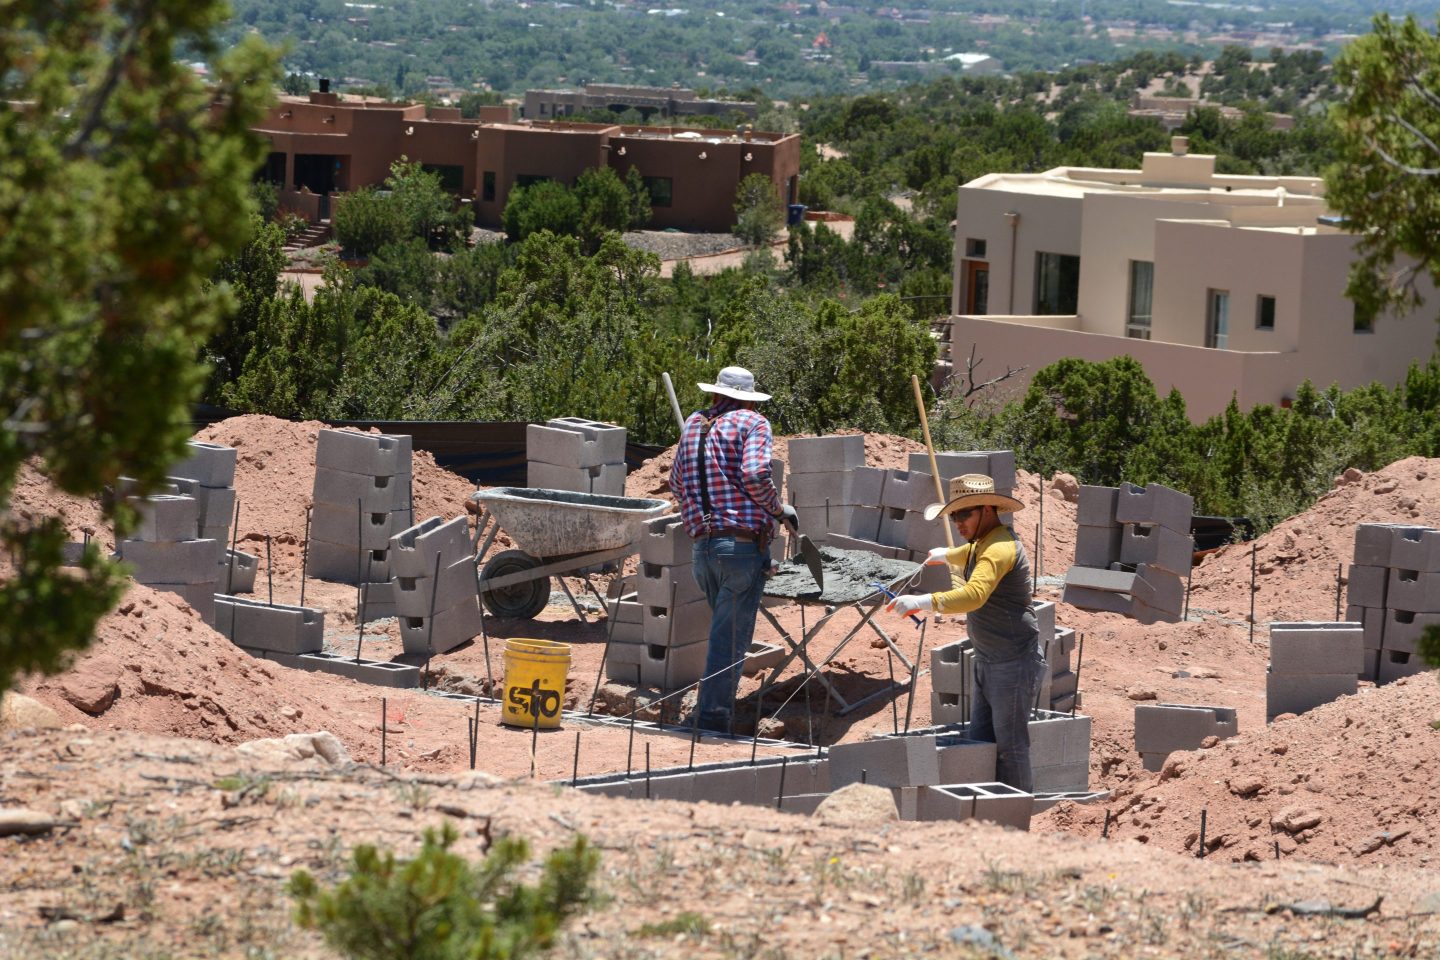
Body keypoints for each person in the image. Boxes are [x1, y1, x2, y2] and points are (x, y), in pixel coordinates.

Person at [886, 474, 1044, 791]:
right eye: (954, 515)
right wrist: (946, 555)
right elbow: (970, 553)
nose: (957, 522)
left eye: (963, 514)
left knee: (1011, 748)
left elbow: (974, 595)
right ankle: (986, 816)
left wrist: (923, 601)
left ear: (987, 509)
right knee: (980, 742)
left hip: (1012, 662)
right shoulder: (983, 542)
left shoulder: (999, 548)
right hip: (989, 660)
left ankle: (1015, 829)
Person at [669, 366, 797, 734]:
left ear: (715, 393)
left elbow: (676, 482)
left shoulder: (694, 423)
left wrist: (703, 508)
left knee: (724, 635)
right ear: (747, 397)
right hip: (740, 549)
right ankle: (710, 720)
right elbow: (756, 474)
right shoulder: (753, 422)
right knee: (729, 642)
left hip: (703, 550)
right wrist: (777, 509)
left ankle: (711, 713)